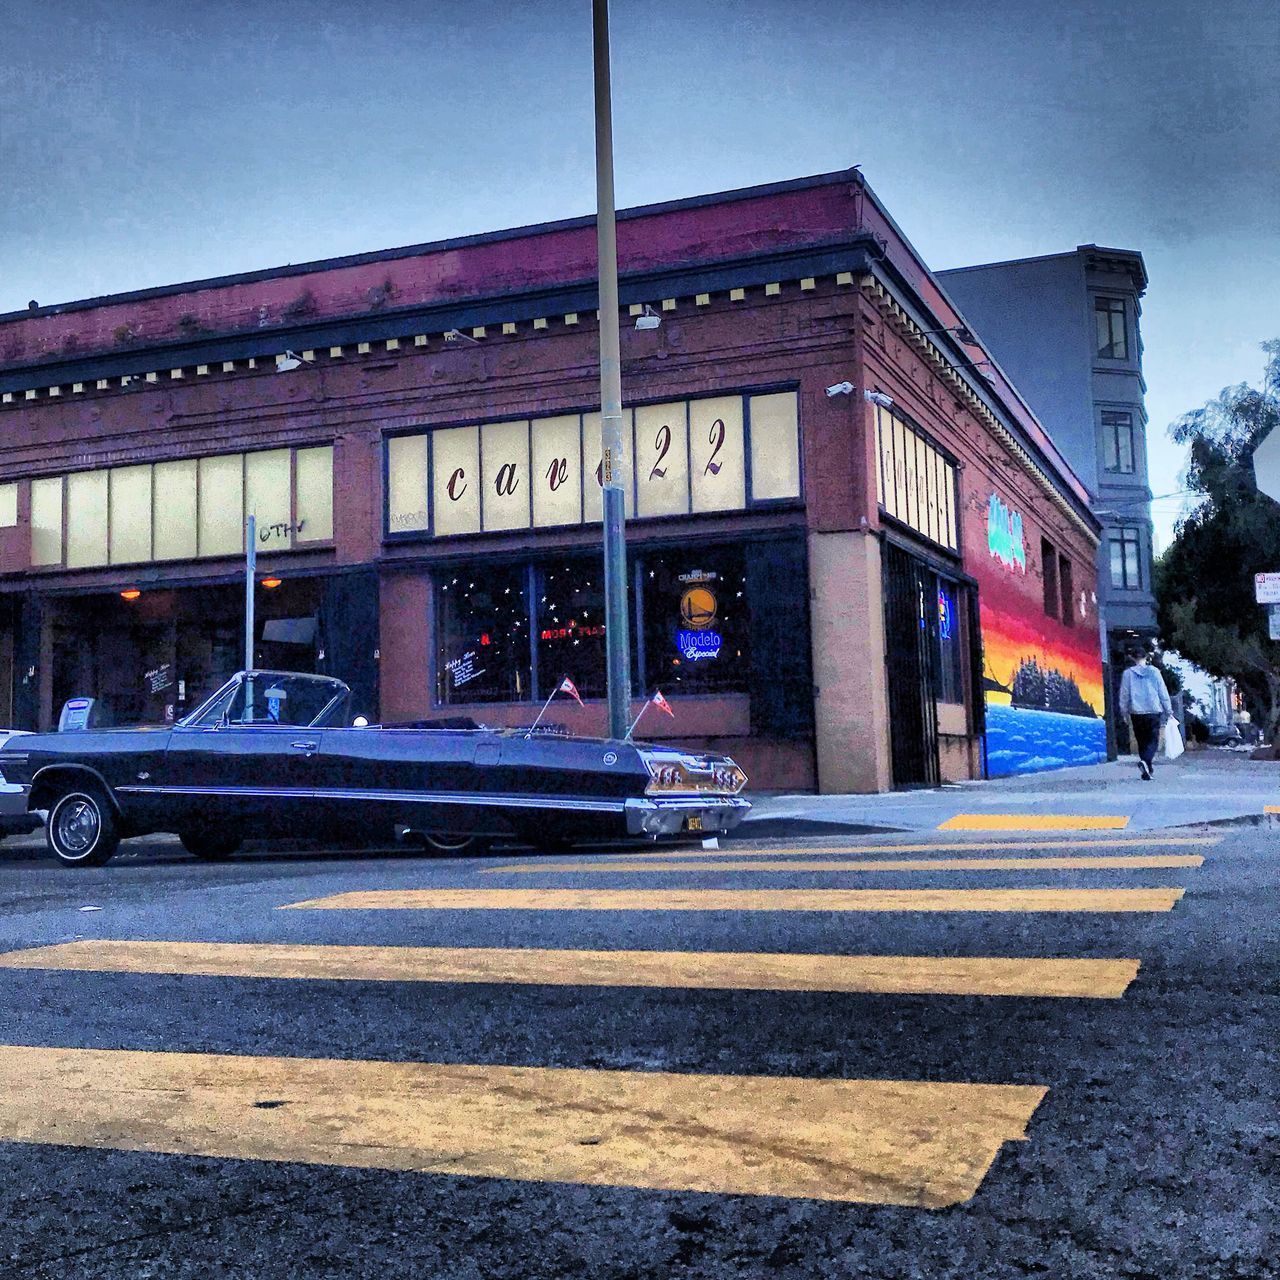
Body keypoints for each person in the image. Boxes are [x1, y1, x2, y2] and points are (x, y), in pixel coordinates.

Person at [1118, 646, 1173, 780]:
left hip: (1136, 712)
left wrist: (1123, 711)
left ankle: (1147, 769)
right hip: (1153, 710)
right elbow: (1162, 692)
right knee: (1152, 740)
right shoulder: (1155, 672)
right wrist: (1168, 710)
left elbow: (1124, 694)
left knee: (1141, 740)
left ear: (1133, 658)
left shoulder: (1127, 674)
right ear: (1146, 657)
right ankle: (1147, 761)